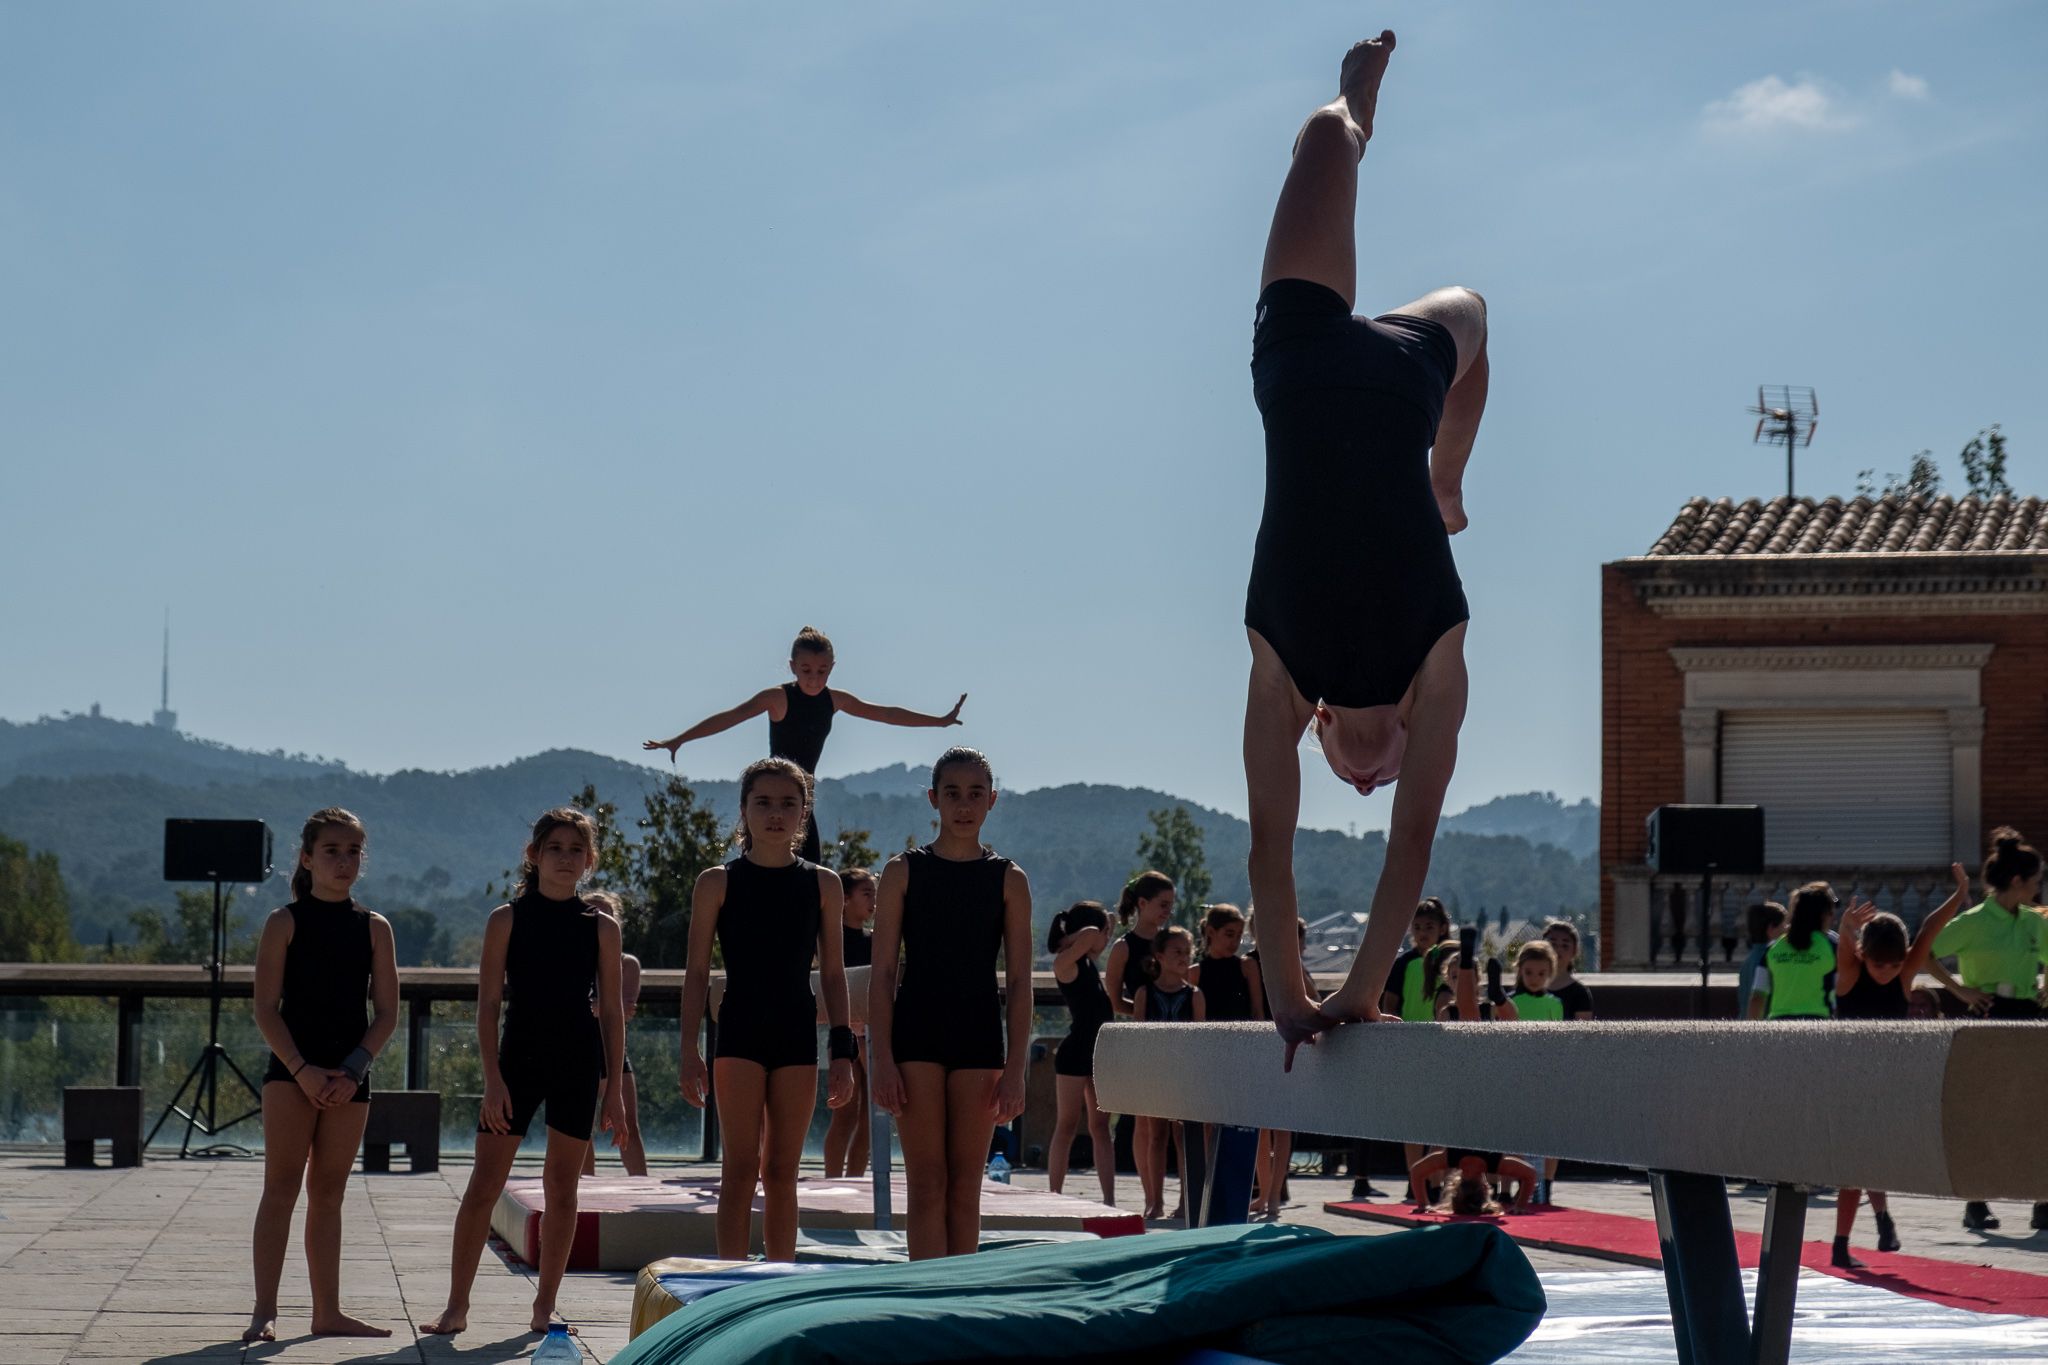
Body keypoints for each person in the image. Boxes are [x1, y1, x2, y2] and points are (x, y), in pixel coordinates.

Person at [1239, 31, 1492, 1064]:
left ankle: (1354, 101)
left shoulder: (1277, 672)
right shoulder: (1437, 666)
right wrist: (1361, 988)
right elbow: (1414, 848)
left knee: (1319, 137)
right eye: (1377, 780)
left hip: (1298, 359)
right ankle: (1446, 475)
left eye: (1355, 779)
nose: (1367, 785)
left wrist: (1296, 997)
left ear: (1321, 729)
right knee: (1475, 312)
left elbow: (1266, 854)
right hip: (1402, 380)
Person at [423, 809, 626, 1337]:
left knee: (563, 1188)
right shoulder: (506, 919)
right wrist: (492, 1079)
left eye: (575, 849)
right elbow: (488, 1006)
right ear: (534, 854)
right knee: (483, 1184)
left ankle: (545, 1306)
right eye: (554, 847)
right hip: (517, 1064)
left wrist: (615, 1093)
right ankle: (456, 1306)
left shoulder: (602, 927)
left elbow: (612, 1013)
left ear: (589, 860)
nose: (565, 857)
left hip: (577, 1064)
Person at [679, 759, 855, 1261]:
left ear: (804, 813)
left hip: (797, 1032)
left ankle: (778, 1285)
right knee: (739, 1169)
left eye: (787, 804)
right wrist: (689, 1049)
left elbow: (835, 973)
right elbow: (695, 974)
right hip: (738, 1032)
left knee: (783, 1171)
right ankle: (728, 1286)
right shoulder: (717, 882)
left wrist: (842, 1051)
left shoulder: (824, 884)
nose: (775, 814)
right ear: (744, 810)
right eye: (764, 803)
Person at [869, 747, 1033, 1259]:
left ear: (993, 801)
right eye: (953, 793)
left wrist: (1016, 1069)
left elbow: (1022, 982)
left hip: (979, 1038)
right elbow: (881, 976)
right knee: (926, 1184)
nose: (964, 805)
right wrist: (881, 1060)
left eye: (975, 794)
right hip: (915, 1035)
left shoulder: (1009, 878)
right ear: (933, 799)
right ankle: (923, 1304)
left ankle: (959, 1305)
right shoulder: (902, 871)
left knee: (966, 1188)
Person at [244, 808, 399, 1344]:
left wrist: (353, 1070)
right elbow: (266, 1009)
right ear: (307, 858)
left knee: (329, 1192)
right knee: (281, 1188)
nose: (343, 861)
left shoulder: (375, 928)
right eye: (332, 850)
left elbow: (386, 1013)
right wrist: (302, 1071)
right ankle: (265, 1310)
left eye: (353, 851)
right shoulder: (283, 922)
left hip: (350, 1078)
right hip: (291, 1075)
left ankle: (327, 1311)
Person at [643, 626, 967, 861]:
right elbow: (730, 716)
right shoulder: (778, 698)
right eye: (806, 670)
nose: (814, 678)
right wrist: (679, 740)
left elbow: (885, 713)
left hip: (803, 797)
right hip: (772, 791)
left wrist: (939, 720)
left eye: (822, 671)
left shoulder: (834, 700)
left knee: (812, 867)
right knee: (763, 860)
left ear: (832, 669)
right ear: (792, 667)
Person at [1830, 863, 1971, 1266]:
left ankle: (1882, 1220)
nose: (1888, 972)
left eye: (1895, 965)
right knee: (1857, 1163)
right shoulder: (1850, 974)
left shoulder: (1904, 971)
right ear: (1863, 955)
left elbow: (1929, 929)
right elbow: (1844, 946)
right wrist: (1846, 925)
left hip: (1887, 1078)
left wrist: (1959, 896)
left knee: (1873, 1158)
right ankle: (1843, 1244)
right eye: (1880, 965)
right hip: (1850, 1078)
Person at [1929, 828, 2047, 1232]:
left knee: (2037, 1109)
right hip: (1987, 1015)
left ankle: (2043, 1201)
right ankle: (1976, 1202)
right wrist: (1959, 990)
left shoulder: (2034, 921)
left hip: (2029, 1014)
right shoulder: (1974, 922)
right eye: (2036, 880)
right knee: (1986, 1111)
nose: (2038, 887)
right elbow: (1923, 951)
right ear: (2018, 881)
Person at [1104, 871, 1176, 1208]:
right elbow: (1114, 999)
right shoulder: (1123, 947)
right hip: (1141, 1040)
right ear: (1142, 904)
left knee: (1173, 1124)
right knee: (1144, 1122)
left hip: (1175, 1039)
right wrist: (1146, 1010)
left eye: (1171, 906)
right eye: (1163, 905)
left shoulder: (1173, 943)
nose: (1167, 912)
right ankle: (1152, 1199)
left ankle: (1173, 1198)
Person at [1132, 926, 1206, 1220]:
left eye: (1188, 953)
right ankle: (1154, 1200)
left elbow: (1201, 1040)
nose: (1184, 958)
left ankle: (1186, 1200)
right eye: (1177, 952)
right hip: (1154, 1072)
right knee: (1156, 1136)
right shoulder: (1144, 993)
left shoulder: (1194, 995)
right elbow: (1137, 1036)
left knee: (1183, 1138)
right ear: (1159, 956)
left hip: (1185, 1074)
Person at [1047, 901, 1116, 1206]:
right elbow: (1089, 934)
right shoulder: (1066, 963)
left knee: (1100, 1127)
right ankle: (1055, 1195)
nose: (1107, 938)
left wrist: (1103, 926)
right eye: (1105, 933)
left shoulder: (1087, 963)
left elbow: (1097, 933)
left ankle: (1109, 1198)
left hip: (1099, 1053)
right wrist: (1081, 935)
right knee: (1067, 1125)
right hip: (1075, 1053)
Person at [579, 893, 647, 1178]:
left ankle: (640, 1183)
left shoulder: (626, 963)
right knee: (579, 1125)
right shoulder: (575, 961)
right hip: (580, 1047)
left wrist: (600, 1007)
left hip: (613, 1049)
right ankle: (584, 1185)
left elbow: (626, 1008)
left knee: (627, 1121)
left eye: (607, 916)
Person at [1250, 915, 1309, 1219]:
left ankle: (1274, 1194)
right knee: (1261, 1127)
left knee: (1282, 1126)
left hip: (1289, 1047)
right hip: (1262, 1044)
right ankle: (1263, 1191)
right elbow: (1257, 1008)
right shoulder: (1250, 962)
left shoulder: (1297, 969)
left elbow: (1313, 1001)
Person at [823, 866, 877, 1180]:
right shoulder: (832, 940)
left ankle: (856, 1181)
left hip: (871, 1032)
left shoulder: (876, 940)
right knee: (844, 1113)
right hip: (843, 1033)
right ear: (845, 899)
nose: (873, 901)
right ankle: (832, 1180)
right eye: (866, 893)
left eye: (875, 894)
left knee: (873, 1116)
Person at [1749, 884, 1850, 1020]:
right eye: (1831, 912)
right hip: (1819, 1024)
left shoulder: (1773, 948)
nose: (1833, 917)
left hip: (1778, 1025)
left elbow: (1757, 996)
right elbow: (1842, 993)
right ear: (1824, 915)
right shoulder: (1832, 946)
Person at [1193, 904, 1265, 1024]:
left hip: (1243, 1038)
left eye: (1239, 936)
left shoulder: (1247, 966)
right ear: (1210, 931)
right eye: (1229, 934)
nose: (1235, 942)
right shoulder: (1195, 972)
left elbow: (1257, 1011)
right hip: (1210, 1039)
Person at [1380, 898, 1451, 1021]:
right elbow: (1389, 1003)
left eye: (1429, 927)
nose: (1422, 932)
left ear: (1442, 929)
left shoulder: (1450, 961)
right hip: (1408, 1032)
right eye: (1417, 927)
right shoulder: (1402, 963)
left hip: (1441, 1033)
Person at [1736, 903, 1787, 1019]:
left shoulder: (1747, 962)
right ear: (1771, 929)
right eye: (1783, 925)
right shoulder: (1770, 960)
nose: (1787, 930)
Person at [1541, 920, 1595, 1021]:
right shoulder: (1530, 987)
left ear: (1574, 951)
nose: (1558, 950)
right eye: (1553, 944)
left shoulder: (1580, 993)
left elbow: (1583, 1033)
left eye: (1565, 946)